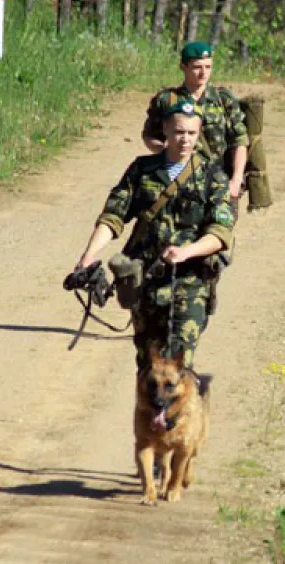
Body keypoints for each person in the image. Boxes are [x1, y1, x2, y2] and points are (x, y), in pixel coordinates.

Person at [74, 99, 234, 371]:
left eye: (192, 133)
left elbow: (220, 233)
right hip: (145, 282)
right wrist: (89, 256)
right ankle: (153, 414)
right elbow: (113, 217)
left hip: (189, 283)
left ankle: (178, 413)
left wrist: (186, 252)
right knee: (147, 366)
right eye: (179, 132)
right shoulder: (142, 170)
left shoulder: (213, 177)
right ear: (165, 131)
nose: (185, 140)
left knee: (177, 366)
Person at [141, 41, 250, 215]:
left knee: (218, 235)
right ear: (183, 67)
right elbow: (149, 135)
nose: (203, 73)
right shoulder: (167, 100)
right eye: (197, 67)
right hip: (178, 181)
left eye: (208, 67)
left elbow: (240, 141)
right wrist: (164, 150)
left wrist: (236, 180)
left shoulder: (224, 99)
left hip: (219, 182)